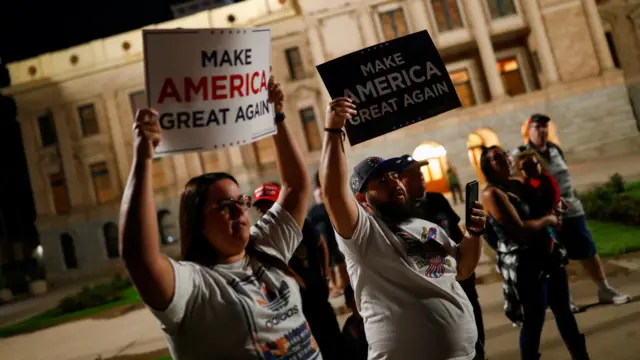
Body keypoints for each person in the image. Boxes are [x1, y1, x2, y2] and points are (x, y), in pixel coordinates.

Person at [118, 77, 322, 359]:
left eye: (241, 201)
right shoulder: (192, 286)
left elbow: (297, 187)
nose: (240, 211)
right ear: (196, 221)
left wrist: (276, 116)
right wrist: (143, 158)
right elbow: (139, 256)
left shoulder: (265, 249)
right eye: (225, 206)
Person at [319, 97, 487, 360]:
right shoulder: (364, 233)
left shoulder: (425, 227)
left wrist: (474, 233)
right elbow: (333, 193)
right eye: (381, 181)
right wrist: (333, 130)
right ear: (362, 199)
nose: (394, 183)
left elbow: (463, 268)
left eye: (395, 176)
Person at [481, 145, 590, 360]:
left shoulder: (517, 185)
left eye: (503, 153)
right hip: (526, 266)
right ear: (487, 167)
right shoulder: (492, 193)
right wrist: (549, 220)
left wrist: (554, 212)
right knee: (534, 321)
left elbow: (542, 207)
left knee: (565, 313)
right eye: (495, 158)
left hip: (548, 255)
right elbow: (520, 230)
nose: (504, 158)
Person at [512, 114, 630, 308]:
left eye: (544, 127)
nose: (542, 130)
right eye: (537, 127)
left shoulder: (554, 149)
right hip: (545, 216)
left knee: (588, 250)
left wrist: (562, 206)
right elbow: (518, 185)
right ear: (528, 130)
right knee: (554, 258)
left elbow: (565, 182)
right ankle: (564, 300)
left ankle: (604, 289)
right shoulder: (521, 154)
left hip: (570, 209)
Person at [397, 154, 486, 360]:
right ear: (401, 182)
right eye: (414, 174)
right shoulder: (399, 217)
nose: (422, 177)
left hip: (464, 285)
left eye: (421, 173)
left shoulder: (437, 200)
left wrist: (473, 234)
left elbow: (457, 235)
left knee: (477, 342)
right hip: (437, 295)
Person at [252, 182, 344, 360]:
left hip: (316, 288)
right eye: (262, 209)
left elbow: (321, 244)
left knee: (331, 333)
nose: (266, 212)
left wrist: (325, 276)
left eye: (269, 206)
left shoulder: (298, 223)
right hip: (297, 297)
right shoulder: (262, 235)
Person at [308, 171, 349, 297]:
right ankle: (335, 286)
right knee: (329, 260)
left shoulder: (329, 187)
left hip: (329, 223)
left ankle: (343, 284)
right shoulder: (319, 192)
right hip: (323, 223)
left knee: (339, 258)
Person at [342, 284, 368, 360]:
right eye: (353, 300)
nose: (357, 302)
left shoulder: (372, 317)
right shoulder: (349, 328)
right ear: (347, 304)